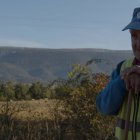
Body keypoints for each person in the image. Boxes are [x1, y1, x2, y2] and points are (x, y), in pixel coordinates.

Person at [96, 7, 140, 140]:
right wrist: (124, 78)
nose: (138, 44)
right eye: (134, 35)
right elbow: (104, 107)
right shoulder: (122, 67)